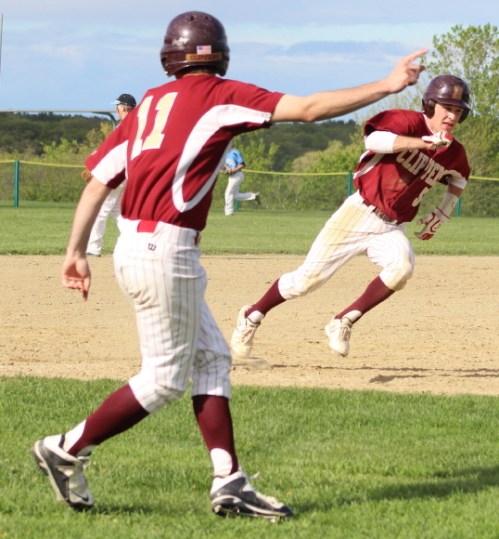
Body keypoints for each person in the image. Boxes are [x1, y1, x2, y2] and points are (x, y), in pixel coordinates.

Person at [30, 10, 426, 520]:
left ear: (168, 55)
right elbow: (307, 109)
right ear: (220, 53)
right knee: (165, 379)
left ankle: (229, 480)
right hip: (166, 251)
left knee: (213, 359)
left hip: (136, 247)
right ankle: (65, 449)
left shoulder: (148, 102)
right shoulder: (217, 94)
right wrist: (389, 84)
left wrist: (75, 252)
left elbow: (97, 183)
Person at [231, 74, 471, 360]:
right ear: (430, 104)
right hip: (359, 212)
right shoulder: (408, 122)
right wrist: (422, 143)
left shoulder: (453, 151)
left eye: (458, 110)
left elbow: (459, 177)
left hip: (392, 226)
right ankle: (251, 315)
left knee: (401, 268)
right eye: (447, 107)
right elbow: (375, 138)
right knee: (305, 282)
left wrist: (443, 212)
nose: (452, 115)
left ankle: (342, 321)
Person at [85, 93, 137, 256]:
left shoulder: (125, 125)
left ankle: (93, 248)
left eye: (118, 106)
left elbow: (110, 149)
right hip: (129, 173)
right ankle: (135, 244)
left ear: (123, 107)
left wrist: (93, 165)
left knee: (100, 208)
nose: (116, 109)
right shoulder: (140, 124)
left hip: (117, 172)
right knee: (118, 211)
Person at [222, 146, 260, 216]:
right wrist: (224, 170)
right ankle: (254, 196)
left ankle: (229, 212)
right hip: (232, 176)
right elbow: (224, 167)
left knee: (228, 193)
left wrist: (233, 170)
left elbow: (242, 164)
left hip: (237, 175)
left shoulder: (235, 152)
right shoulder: (225, 154)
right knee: (235, 195)